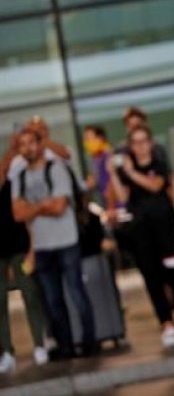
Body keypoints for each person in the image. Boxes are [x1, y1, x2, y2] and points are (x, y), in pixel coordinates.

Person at [11, 128, 97, 360]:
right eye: (23, 144)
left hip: (66, 240)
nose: (28, 148)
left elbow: (60, 207)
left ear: (40, 144)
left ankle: (90, 342)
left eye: (32, 142)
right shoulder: (19, 176)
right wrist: (44, 205)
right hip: (41, 246)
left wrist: (33, 208)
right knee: (52, 299)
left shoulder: (56, 168)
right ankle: (65, 345)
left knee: (76, 292)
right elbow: (18, 214)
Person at [107, 125, 174, 348]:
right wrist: (113, 173)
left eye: (144, 142)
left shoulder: (158, 163)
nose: (141, 147)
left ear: (150, 143)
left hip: (165, 226)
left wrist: (132, 172)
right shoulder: (127, 170)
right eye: (136, 143)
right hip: (141, 229)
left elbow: (155, 186)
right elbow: (123, 195)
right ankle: (166, 322)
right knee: (152, 277)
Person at [0, 158, 49, 373]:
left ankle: (39, 343)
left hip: (20, 250)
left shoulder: (14, 186)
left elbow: (29, 219)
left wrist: (33, 250)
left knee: (30, 294)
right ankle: (6, 352)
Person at [83, 125, 113, 204]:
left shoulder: (109, 155)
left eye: (89, 138)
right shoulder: (91, 158)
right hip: (103, 200)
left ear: (100, 138)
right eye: (86, 139)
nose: (87, 142)